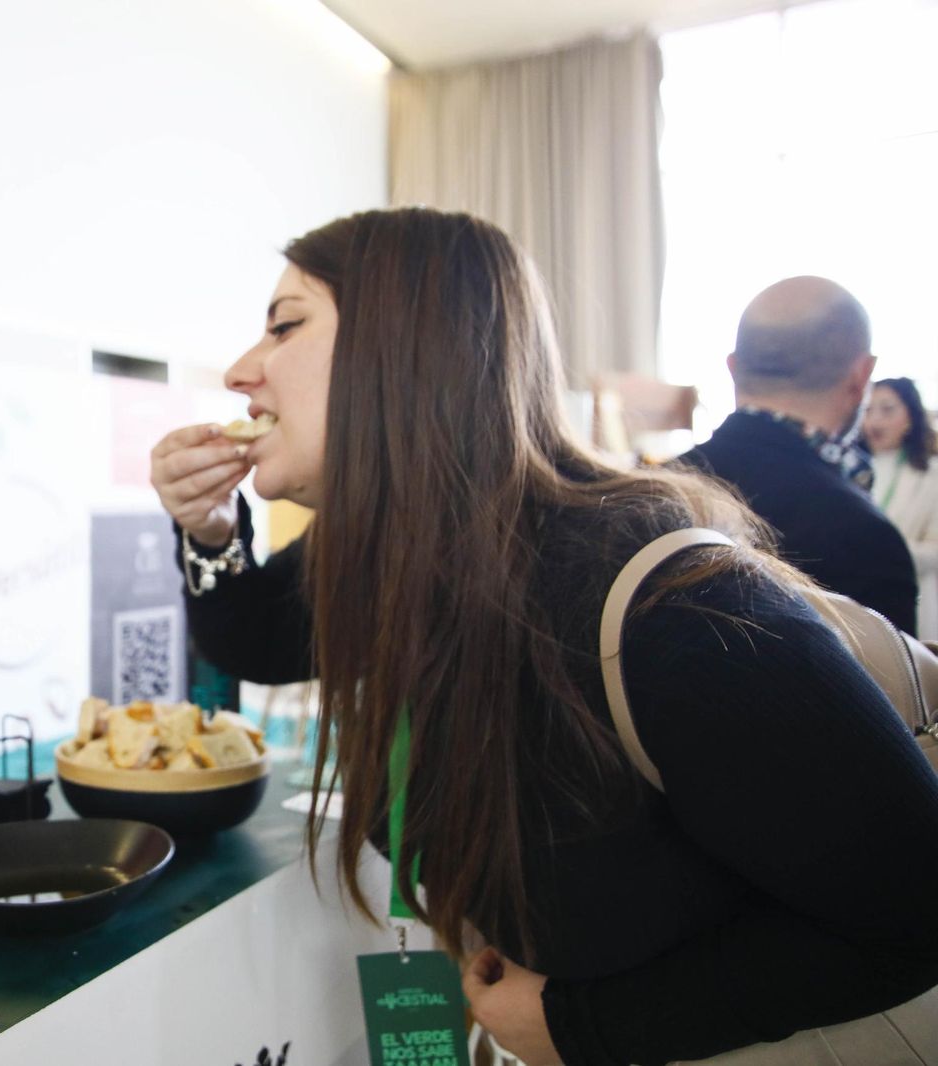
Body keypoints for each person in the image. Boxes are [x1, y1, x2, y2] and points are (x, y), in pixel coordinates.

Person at [150, 208, 938, 1065]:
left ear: (407, 346)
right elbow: (258, 641)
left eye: (285, 325)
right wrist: (211, 532)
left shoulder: (671, 612)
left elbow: (914, 913)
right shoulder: (398, 557)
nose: (239, 372)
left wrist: (582, 1026)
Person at [678, 276, 918, 633]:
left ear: (732, 367)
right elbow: (896, 688)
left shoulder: (651, 493)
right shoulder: (866, 538)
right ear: (861, 376)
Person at [859, 376, 938, 637]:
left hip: (916, 600)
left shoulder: (931, 475)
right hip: (859, 599)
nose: (875, 421)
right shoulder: (851, 469)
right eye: (868, 410)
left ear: (911, 416)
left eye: (887, 409)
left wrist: (884, 550)